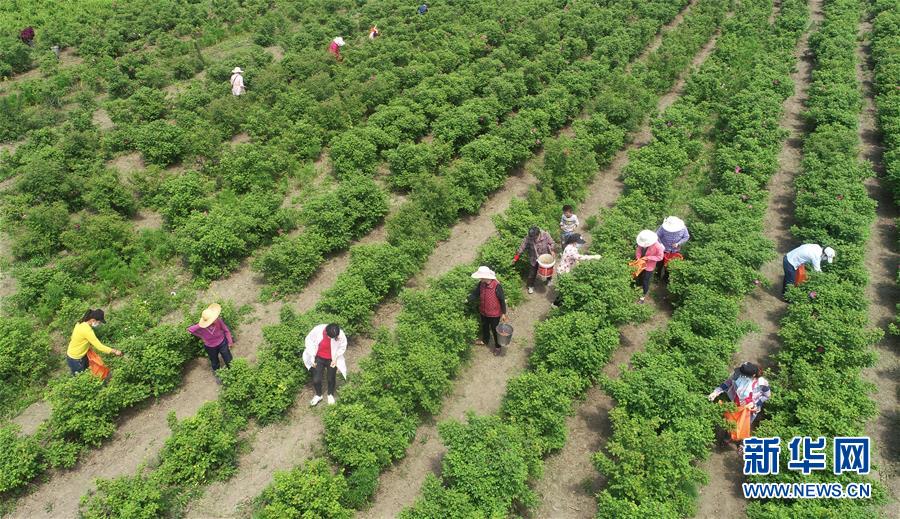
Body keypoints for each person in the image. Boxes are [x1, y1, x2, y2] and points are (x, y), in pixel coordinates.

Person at [708, 362, 771, 447]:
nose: (740, 375)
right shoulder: (736, 375)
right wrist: (716, 392)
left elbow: (766, 395)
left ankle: (741, 442)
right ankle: (727, 438)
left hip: (750, 409)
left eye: (743, 375)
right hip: (735, 406)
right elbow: (727, 383)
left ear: (752, 376)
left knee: (744, 425)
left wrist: (756, 404)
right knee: (731, 422)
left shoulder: (762, 383)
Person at [467, 266, 509, 356]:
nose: (480, 278)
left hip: (494, 314)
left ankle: (498, 347)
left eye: (481, 276)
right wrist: (468, 299)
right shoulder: (481, 284)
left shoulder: (497, 286)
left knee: (495, 330)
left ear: (486, 276)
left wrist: (504, 313)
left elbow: (502, 300)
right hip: (483, 311)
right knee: (485, 327)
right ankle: (485, 340)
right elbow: (476, 293)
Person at [187, 303, 234, 383]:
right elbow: (190, 330)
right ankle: (218, 374)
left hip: (222, 342)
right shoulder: (201, 326)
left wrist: (230, 342)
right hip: (210, 347)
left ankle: (233, 371)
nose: (215, 319)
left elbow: (226, 330)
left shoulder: (219, 321)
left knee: (228, 358)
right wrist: (201, 335)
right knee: (214, 361)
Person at [303, 323, 348, 406]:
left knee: (331, 378)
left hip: (331, 359)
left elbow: (342, 346)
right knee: (316, 379)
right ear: (326, 332)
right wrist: (312, 356)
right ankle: (318, 395)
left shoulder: (340, 334)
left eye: (334, 338)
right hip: (319, 357)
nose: (332, 339)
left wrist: (335, 358)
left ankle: (330, 394)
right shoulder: (318, 330)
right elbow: (309, 341)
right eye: (330, 337)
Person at [67, 309, 122, 375]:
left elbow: (74, 337)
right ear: (93, 320)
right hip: (76, 359)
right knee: (81, 377)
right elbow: (99, 346)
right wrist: (115, 351)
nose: (99, 324)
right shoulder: (87, 331)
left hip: (77, 354)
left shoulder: (80, 323)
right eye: (99, 322)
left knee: (88, 373)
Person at [554, 234, 601, 307]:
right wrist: (594, 257)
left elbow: (574, 258)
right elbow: (580, 257)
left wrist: (577, 262)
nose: (580, 244)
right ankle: (556, 305)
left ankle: (560, 302)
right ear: (574, 242)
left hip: (563, 269)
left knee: (564, 287)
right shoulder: (571, 250)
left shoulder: (570, 246)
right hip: (563, 272)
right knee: (564, 289)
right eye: (579, 242)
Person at [514, 226, 556, 294]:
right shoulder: (528, 237)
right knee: (532, 273)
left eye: (534, 237)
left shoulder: (545, 235)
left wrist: (552, 250)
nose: (533, 238)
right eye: (531, 237)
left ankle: (549, 280)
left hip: (545, 256)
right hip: (534, 258)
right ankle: (530, 286)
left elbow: (552, 243)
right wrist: (515, 258)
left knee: (548, 269)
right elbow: (521, 248)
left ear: (538, 234)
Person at [633, 229, 664, 304]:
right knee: (639, 276)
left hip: (649, 266)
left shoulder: (657, 246)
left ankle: (643, 296)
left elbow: (660, 257)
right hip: (640, 263)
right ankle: (638, 287)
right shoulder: (641, 243)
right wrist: (638, 258)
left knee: (645, 280)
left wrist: (648, 258)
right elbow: (638, 250)